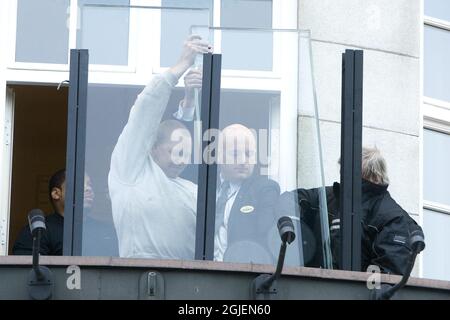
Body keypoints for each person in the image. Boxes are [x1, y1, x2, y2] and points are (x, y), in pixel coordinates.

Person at [108, 35, 211, 259]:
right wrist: (181, 66)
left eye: (185, 154)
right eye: (174, 151)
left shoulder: (193, 192)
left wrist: (190, 100)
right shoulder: (130, 172)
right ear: (152, 148)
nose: (181, 159)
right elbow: (144, 112)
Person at [281, 146, 424, 275]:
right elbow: (292, 199)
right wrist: (291, 217)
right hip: (313, 287)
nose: (342, 175)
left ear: (367, 175)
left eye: (346, 172)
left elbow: (388, 278)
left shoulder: (394, 218)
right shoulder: (332, 197)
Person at [214, 124, 280, 264]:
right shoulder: (204, 189)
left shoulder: (264, 190)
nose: (244, 161)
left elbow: (266, 241)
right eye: (236, 154)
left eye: (249, 154)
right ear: (219, 156)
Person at [13, 169, 65, 255]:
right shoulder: (39, 229)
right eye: (80, 185)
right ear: (56, 193)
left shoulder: (95, 229)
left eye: (89, 185)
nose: (88, 189)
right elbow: (25, 266)